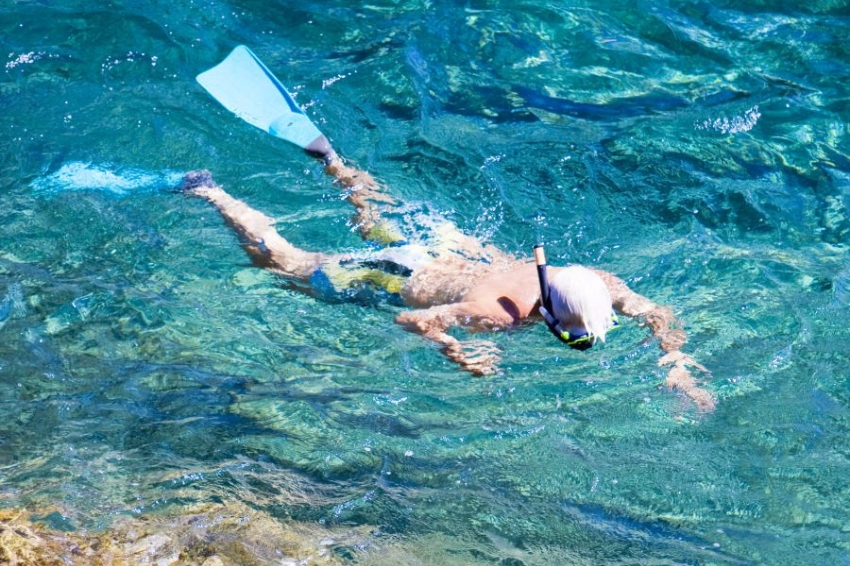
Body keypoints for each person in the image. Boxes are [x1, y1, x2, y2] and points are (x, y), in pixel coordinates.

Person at [181, 160, 715, 412]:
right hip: (401, 276)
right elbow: (414, 318)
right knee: (282, 263)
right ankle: (213, 193)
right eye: (573, 338)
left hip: (443, 253)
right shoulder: (497, 315)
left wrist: (678, 367)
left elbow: (657, 313)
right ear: (548, 319)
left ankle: (337, 166)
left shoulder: (594, 282)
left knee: (374, 216)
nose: (579, 343)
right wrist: (457, 351)